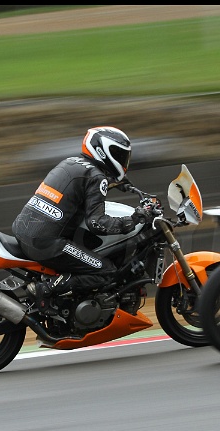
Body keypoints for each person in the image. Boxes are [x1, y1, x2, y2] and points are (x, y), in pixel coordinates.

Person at [12, 126, 149, 315]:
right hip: (47, 243)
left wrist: (117, 183)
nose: (122, 160)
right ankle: (48, 289)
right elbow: (97, 223)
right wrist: (132, 220)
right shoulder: (97, 177)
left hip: (25, 231)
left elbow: (79, 189)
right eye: (118, 154)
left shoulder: (70, 162)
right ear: (103, 150)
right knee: (107, 271)